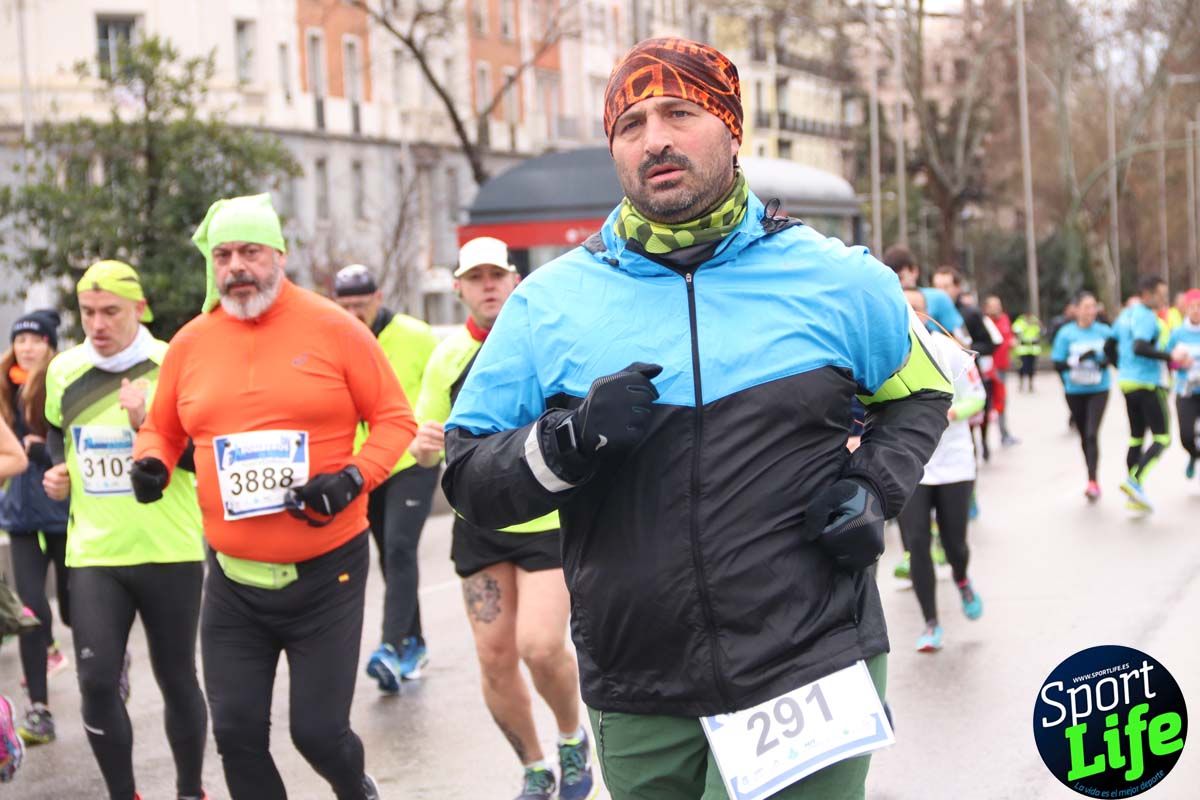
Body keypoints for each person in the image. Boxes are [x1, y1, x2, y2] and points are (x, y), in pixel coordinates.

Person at [440, 38, 952, 799]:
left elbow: (923, 393)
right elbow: (468, 476)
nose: (655, 140)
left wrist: (874, 486)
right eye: (631, 124)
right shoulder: (546, 305)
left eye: (680, 113)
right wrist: (567, 441)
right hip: (637, 682)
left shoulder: (838, 279)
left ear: (732, 128)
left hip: (808, 661)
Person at [131, 194, 415, 800]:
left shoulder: (335, 328)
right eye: (224, 255)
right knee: (236, 735)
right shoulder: (190, 343)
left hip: (327, 575)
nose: (237, 266)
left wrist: (352, 479)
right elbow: (161, 428)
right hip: (233, 582)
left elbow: (395, 421)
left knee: (317, 733)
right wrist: (150, 462)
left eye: (250, 252)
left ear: (279, 256)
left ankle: (356, 788)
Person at [409, 236, 593, 800]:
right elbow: (425, 449)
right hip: (478, 523)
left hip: (545, 520)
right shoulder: (446, 356)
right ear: (459, 289)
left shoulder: (543, 337)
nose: (487, 286)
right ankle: (534, 766)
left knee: (539, 645)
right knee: (494, 657)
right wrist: (422, 447)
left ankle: (571, 737)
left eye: (495, 275)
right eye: (475, 277)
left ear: (514, 280)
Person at [41, 260, 209, 800]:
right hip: (95, 554)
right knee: (95, 682)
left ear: (139, 308)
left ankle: (190, 790)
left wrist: (145, 424)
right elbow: (55, 433)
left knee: (176, 678)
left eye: (111, 311)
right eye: (88, 312)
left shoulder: (172, 363)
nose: (98, 324)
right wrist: (60, 471)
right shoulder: (64, 371)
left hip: (169, 549)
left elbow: (202, 458)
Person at [332, 264, 441, 691]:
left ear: (379, 298)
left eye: (361, 305)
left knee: (399, 547)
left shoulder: (416, 336)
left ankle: (391, 648)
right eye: (345, 307)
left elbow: (443, 388)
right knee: (389, 555)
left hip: (412, 460)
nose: (353, 314)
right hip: (366, 464)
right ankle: (415, 641)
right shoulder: (336, 339)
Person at [895, 290, 985, 652]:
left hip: (954, 463)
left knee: (954, 544)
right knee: (917, 543)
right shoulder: (885, 353)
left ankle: (961, 578)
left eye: (915, 308)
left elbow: (978, 397)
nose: (909, 314)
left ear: (926, 313)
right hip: (911, 463)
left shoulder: (948, 350)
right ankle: (931, 622)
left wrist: (952, 412)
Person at [0, 310, 70, 746]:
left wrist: (42, 451)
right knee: (30, 611)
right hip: (20, 514)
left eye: (35, 340)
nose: (26, 347)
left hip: (61, 510)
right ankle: (39, 711)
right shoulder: (3, 386)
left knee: (73, 608)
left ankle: (109, 659)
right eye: (20, 340)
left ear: (49, 345)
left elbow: (71, 445)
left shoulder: (61, 381)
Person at [1109, 275, 1173, 512]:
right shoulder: (1146, 316)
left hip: (1127, 383)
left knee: (1136, 437)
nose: (1164, 299)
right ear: (1147, 295)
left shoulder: (1125, 315)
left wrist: (1123, 368)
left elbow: (1108, 346)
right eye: (1161, 295)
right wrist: (1170, 357)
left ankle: (1134, 496)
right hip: (1147, 384)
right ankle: (1134, 481)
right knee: (1162, 438)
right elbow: (1140, 346)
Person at [1050, 293, 1114, 501]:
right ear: (1076, 310)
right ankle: (1090, 472)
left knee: (1092, 433)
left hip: (1099, 389)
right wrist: (1077, 360)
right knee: (1084, 435)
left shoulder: (1104, 331)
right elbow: (1057, 363)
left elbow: (1115, 355)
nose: (1090, 311)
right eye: (1086, 307)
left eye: (1093, 306)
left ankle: (1093, 481)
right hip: (1075, 391)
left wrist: (1104, 361)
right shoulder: (1066, 333)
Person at [933, 267, 998, 460]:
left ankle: (982, 444)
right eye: (937, 287)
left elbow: (988, 344)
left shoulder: (970, 313)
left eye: (946, 286)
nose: (941, 292)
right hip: (942, 379)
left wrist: (963, 349)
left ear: (957, 288)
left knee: (974, 421)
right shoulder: (930, 315)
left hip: (968, 377)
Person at [882, 245, 964, 336]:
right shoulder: (885, 302)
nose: (897, 284)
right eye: (891, 279)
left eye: (900, 277)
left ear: (914, 271)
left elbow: (962, 338)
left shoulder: (939, 298)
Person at [1165, 289, 1200, 478]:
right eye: (1192, 307)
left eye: (1199, 307)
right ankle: (1194, 454)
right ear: (1185, 309)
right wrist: (1179, 363)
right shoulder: (1177, 334)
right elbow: (1167, 360)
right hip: (1186, 391)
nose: (1196, 311)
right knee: (1186, 437)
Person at [984, 295, 1018, 445]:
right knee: (989, 403)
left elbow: (1009, 337)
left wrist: (1012, 342)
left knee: (1002, 402)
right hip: (990, 369)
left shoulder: (1004, 319)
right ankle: (984, 440)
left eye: (998, 305)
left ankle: (1004, 434)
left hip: (1003, 367)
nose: (996, 308)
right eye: (993, 305)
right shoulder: (985, 322)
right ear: (986, 308)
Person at [1012, 311, 1043, 392]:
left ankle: (1030, 384)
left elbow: (1041, 331)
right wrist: (1026, 325)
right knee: (1022, 367)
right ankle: (1021, 383)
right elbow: (1015, 330)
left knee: (1032, 367)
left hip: (1033, 348)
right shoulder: (1020, 321)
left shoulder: (1035, 321)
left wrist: (1039, 324)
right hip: (1023, 349)